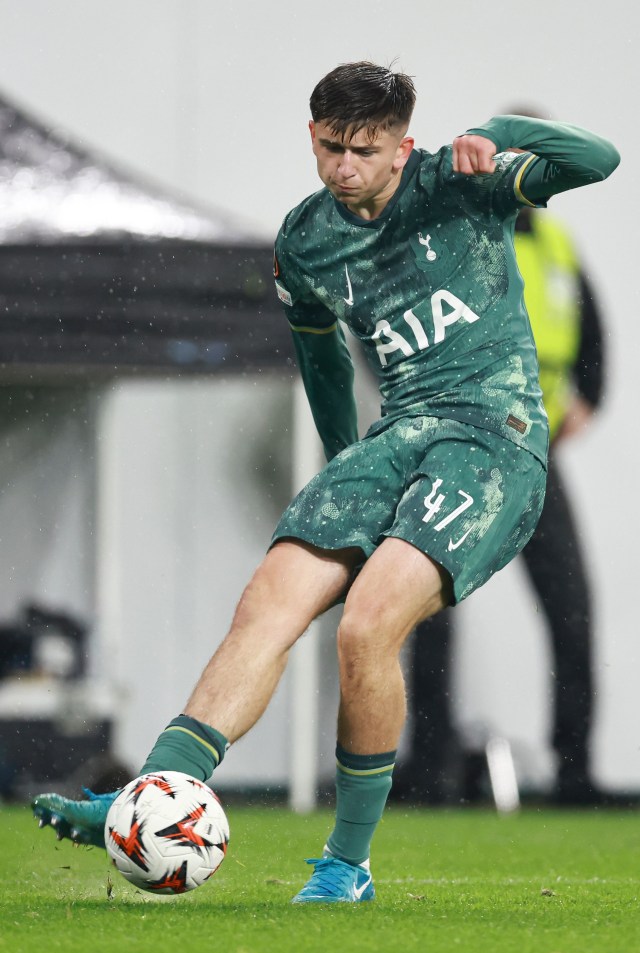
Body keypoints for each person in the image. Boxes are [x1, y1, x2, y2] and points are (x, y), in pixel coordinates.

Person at [31, 62, 619, 904]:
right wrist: (349, 471)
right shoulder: (306, 241)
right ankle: (147, 798)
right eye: (331, 147)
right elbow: (322, 361)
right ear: (313, 137)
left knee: (365, 629)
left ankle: (347, 866)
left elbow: (600, 158)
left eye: (364, 150)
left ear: (401, 147)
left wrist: (505, 134)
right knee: (268, 601)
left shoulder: (460, 182)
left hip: (495, 442)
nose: (345, 167)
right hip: (397, 437)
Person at [396, 197, 609, 807]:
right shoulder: (454, 239)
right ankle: (428, 767)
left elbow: (593, 335)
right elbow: (392, 327)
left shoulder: (559, 246)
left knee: (572, 608)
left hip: (534, 450)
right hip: (460, 446)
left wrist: (587, 397)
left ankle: (576, 774)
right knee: (429, 606)